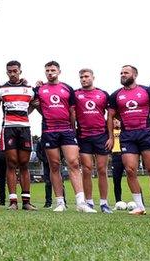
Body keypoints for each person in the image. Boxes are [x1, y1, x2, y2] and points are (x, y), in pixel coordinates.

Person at [107, 65, 150, 216]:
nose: (122, 75)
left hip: (146, 133)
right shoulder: (115, 95)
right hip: (127, 136)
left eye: (126, 73)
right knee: (130, 170)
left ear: (135, 74)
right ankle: (139, 207)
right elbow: (110, 116)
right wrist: (110, 137)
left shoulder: (147, 91)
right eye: (121, 73)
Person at [35, 61, 95, 213]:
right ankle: (60, 202)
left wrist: (73, 129)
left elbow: (73, 111)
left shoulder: (67, 89)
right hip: (49, 130)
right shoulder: (39, 89)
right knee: (54, 166)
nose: (50, 72)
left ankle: (81, 203)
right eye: (47, 70)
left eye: (52, 70)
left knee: (74, 163)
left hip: (67, 130)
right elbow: (35, 105)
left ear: (59, 71)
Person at [0, 60, 37, 211]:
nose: (12, 74)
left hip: (25, 129)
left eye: (15, 71)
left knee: (24, 163)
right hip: (8, 128)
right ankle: (13, 202)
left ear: (20, 71)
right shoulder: (1, 89)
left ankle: (26, 202)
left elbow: (35, 104)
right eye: (9, 71)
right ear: (6, 72)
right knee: (11, 163)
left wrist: (24, 114)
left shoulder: (29, 89)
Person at [74, 69, 112, 213]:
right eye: (81, 77)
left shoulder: (103, 94)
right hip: (83, 136)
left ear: (93, 77)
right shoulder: (76, 94)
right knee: (87, 169)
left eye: (86, 76)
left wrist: (110, 136)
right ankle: (89, 202)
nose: (83, 79)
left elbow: (111, 115)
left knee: (102, 170)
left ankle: (104, 203)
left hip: (101, 136)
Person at [110, 118, 125, 206]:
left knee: (132, 177)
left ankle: (140, 201)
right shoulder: (110, 132)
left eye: (117, 120)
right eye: (114, 120)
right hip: (115, 155)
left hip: (126, 153)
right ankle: (118, 202)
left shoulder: (125, 130)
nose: (116, 122)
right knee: (116, 180)